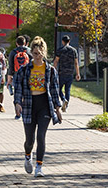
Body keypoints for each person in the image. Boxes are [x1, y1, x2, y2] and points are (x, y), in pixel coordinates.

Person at [13, 36, 62, 177]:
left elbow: (54, 90)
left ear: (44, 53)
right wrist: (17, 103)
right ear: (31, 54)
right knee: (30, 140)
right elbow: (18, 88)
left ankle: (39, 167)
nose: (37, 56)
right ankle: (28, 155)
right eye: (34, 53)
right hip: (29, 104)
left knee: (41, 136)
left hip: (44, 105)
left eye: (40, 53)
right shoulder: (24, 70)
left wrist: (58, 109)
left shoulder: (50, 70)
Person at [8, 35, 33, 119]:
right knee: (27, 93)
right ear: (25, 43)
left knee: (17, 93)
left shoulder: (13, 52)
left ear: (16, 43)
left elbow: (11, 66)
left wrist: (9, 79)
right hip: (28, 75)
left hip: (17, 74)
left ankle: (18, 113)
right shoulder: (29, 51)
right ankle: (26, 111)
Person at [54, 35, 80, 112]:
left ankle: (63, 99)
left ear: (62, 41)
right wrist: (77, 73)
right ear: (69, 41)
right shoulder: (74, 51)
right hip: (70, 73)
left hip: (61, 72)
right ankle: (66, 104)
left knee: (58, 89)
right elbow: (76, 63)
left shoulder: (60, 50)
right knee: (67, 90)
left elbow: (56, 61)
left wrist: (54, 70)